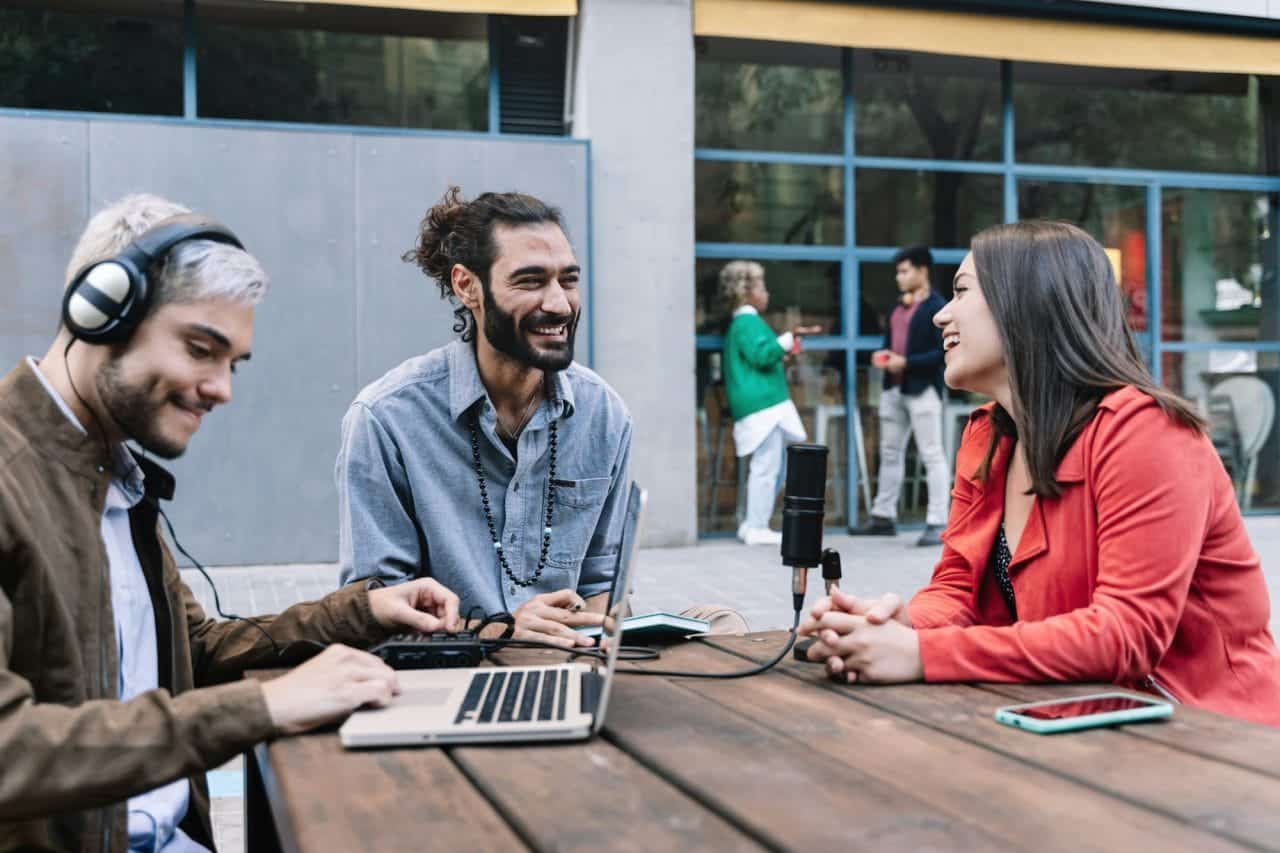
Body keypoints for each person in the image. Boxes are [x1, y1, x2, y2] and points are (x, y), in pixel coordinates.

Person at [0, 194, 463, 852]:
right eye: (200, 348)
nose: (222, 388)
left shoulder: (112, 474)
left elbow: (198, 649)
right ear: (103, 310)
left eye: (232, 363)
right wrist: (261, 708)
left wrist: (365, 611)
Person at [800, 221, 1280, 727]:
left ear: (1026, 305)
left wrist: (923, 655)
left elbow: (1126, 635)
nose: (941, 314)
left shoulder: (1146, 432)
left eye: (962, 292)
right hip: (1076, 722)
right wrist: (895, 624)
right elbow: (957, 589)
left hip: (1214, 736)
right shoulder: (988, 436)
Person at [337, 187, 631, 650]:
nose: (558, 303)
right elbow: (376, 612)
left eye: (568, 280)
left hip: (570, 664)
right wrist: (504, 633)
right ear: (467, 286)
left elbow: (603, 584)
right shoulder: (386, 419)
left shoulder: (604, 414)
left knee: (724, 622)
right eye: (530, 281)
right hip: (446, 671)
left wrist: (594, 642)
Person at [851, 246, 950, 547]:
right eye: (898, 271)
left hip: (923, 390)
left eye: (904, 271)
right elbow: (890, 344)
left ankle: (937, 522)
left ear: (923, 271)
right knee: (890, 453)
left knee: (931, 454)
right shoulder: (897, 309)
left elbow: (942, 352)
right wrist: (882, 357)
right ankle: (883, 516)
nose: (899, 277)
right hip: (893, 389)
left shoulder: (938, 307)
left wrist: (905, 362)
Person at [718, 261, 820, 546]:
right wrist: (788, 340)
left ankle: (752, 522)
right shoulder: (747, 322)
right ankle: (757, 526)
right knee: (767, 466)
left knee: (768, 464)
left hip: (757, 406)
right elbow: (761, 355)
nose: (767, 293)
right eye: (761, 286)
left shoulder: (740, 323)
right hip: (763, 405)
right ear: (747, 291)